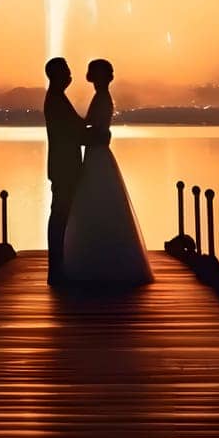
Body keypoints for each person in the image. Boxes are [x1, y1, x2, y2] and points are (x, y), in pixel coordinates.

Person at [61, 58, 153, 285]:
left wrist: (73, 131)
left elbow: (91, 124)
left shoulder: (101, 98)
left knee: (96, 199)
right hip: (98, 152)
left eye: (91, 71)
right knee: (102, 200)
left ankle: (96, 257)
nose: (88, 75)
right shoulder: (102, 97)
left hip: (97, 153)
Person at [43, 55, 85, 285]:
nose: (70, 75)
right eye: (66, 71)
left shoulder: (58, 98)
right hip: (64, 167)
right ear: (57, 75)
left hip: (63, 166)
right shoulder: (56, 100)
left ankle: (60, 263)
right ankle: (56, 267)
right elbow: (73, 130)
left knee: (62, 214)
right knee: (60, 215)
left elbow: (75, 126)